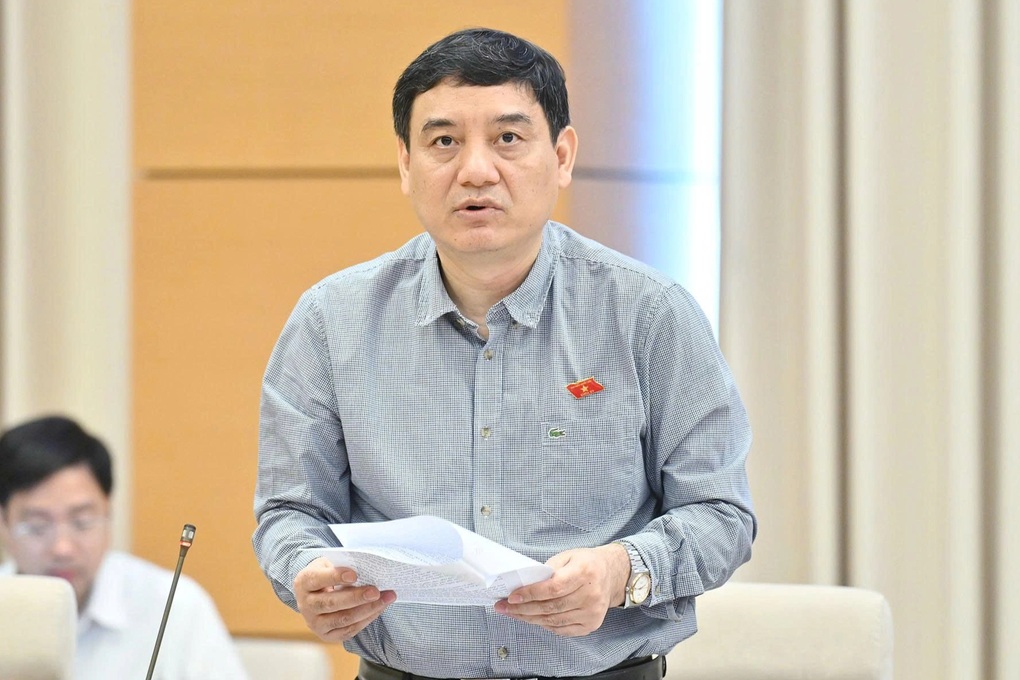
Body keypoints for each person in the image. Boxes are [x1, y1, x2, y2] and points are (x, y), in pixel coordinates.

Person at [253, 27, 755, 680]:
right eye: (444, 142)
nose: (476, 171)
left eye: (508, 138)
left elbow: (721, 515)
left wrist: (620, 571)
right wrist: (307, 573)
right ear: (405, 162)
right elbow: (291, 513)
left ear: (562, 156)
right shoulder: (330, 322)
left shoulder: (649, 313)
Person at [0, 415, 249, 680]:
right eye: (37, 526)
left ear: (108, 512)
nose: (63, 548)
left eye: (82, 522)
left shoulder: (176, 604)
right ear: (3, 523)